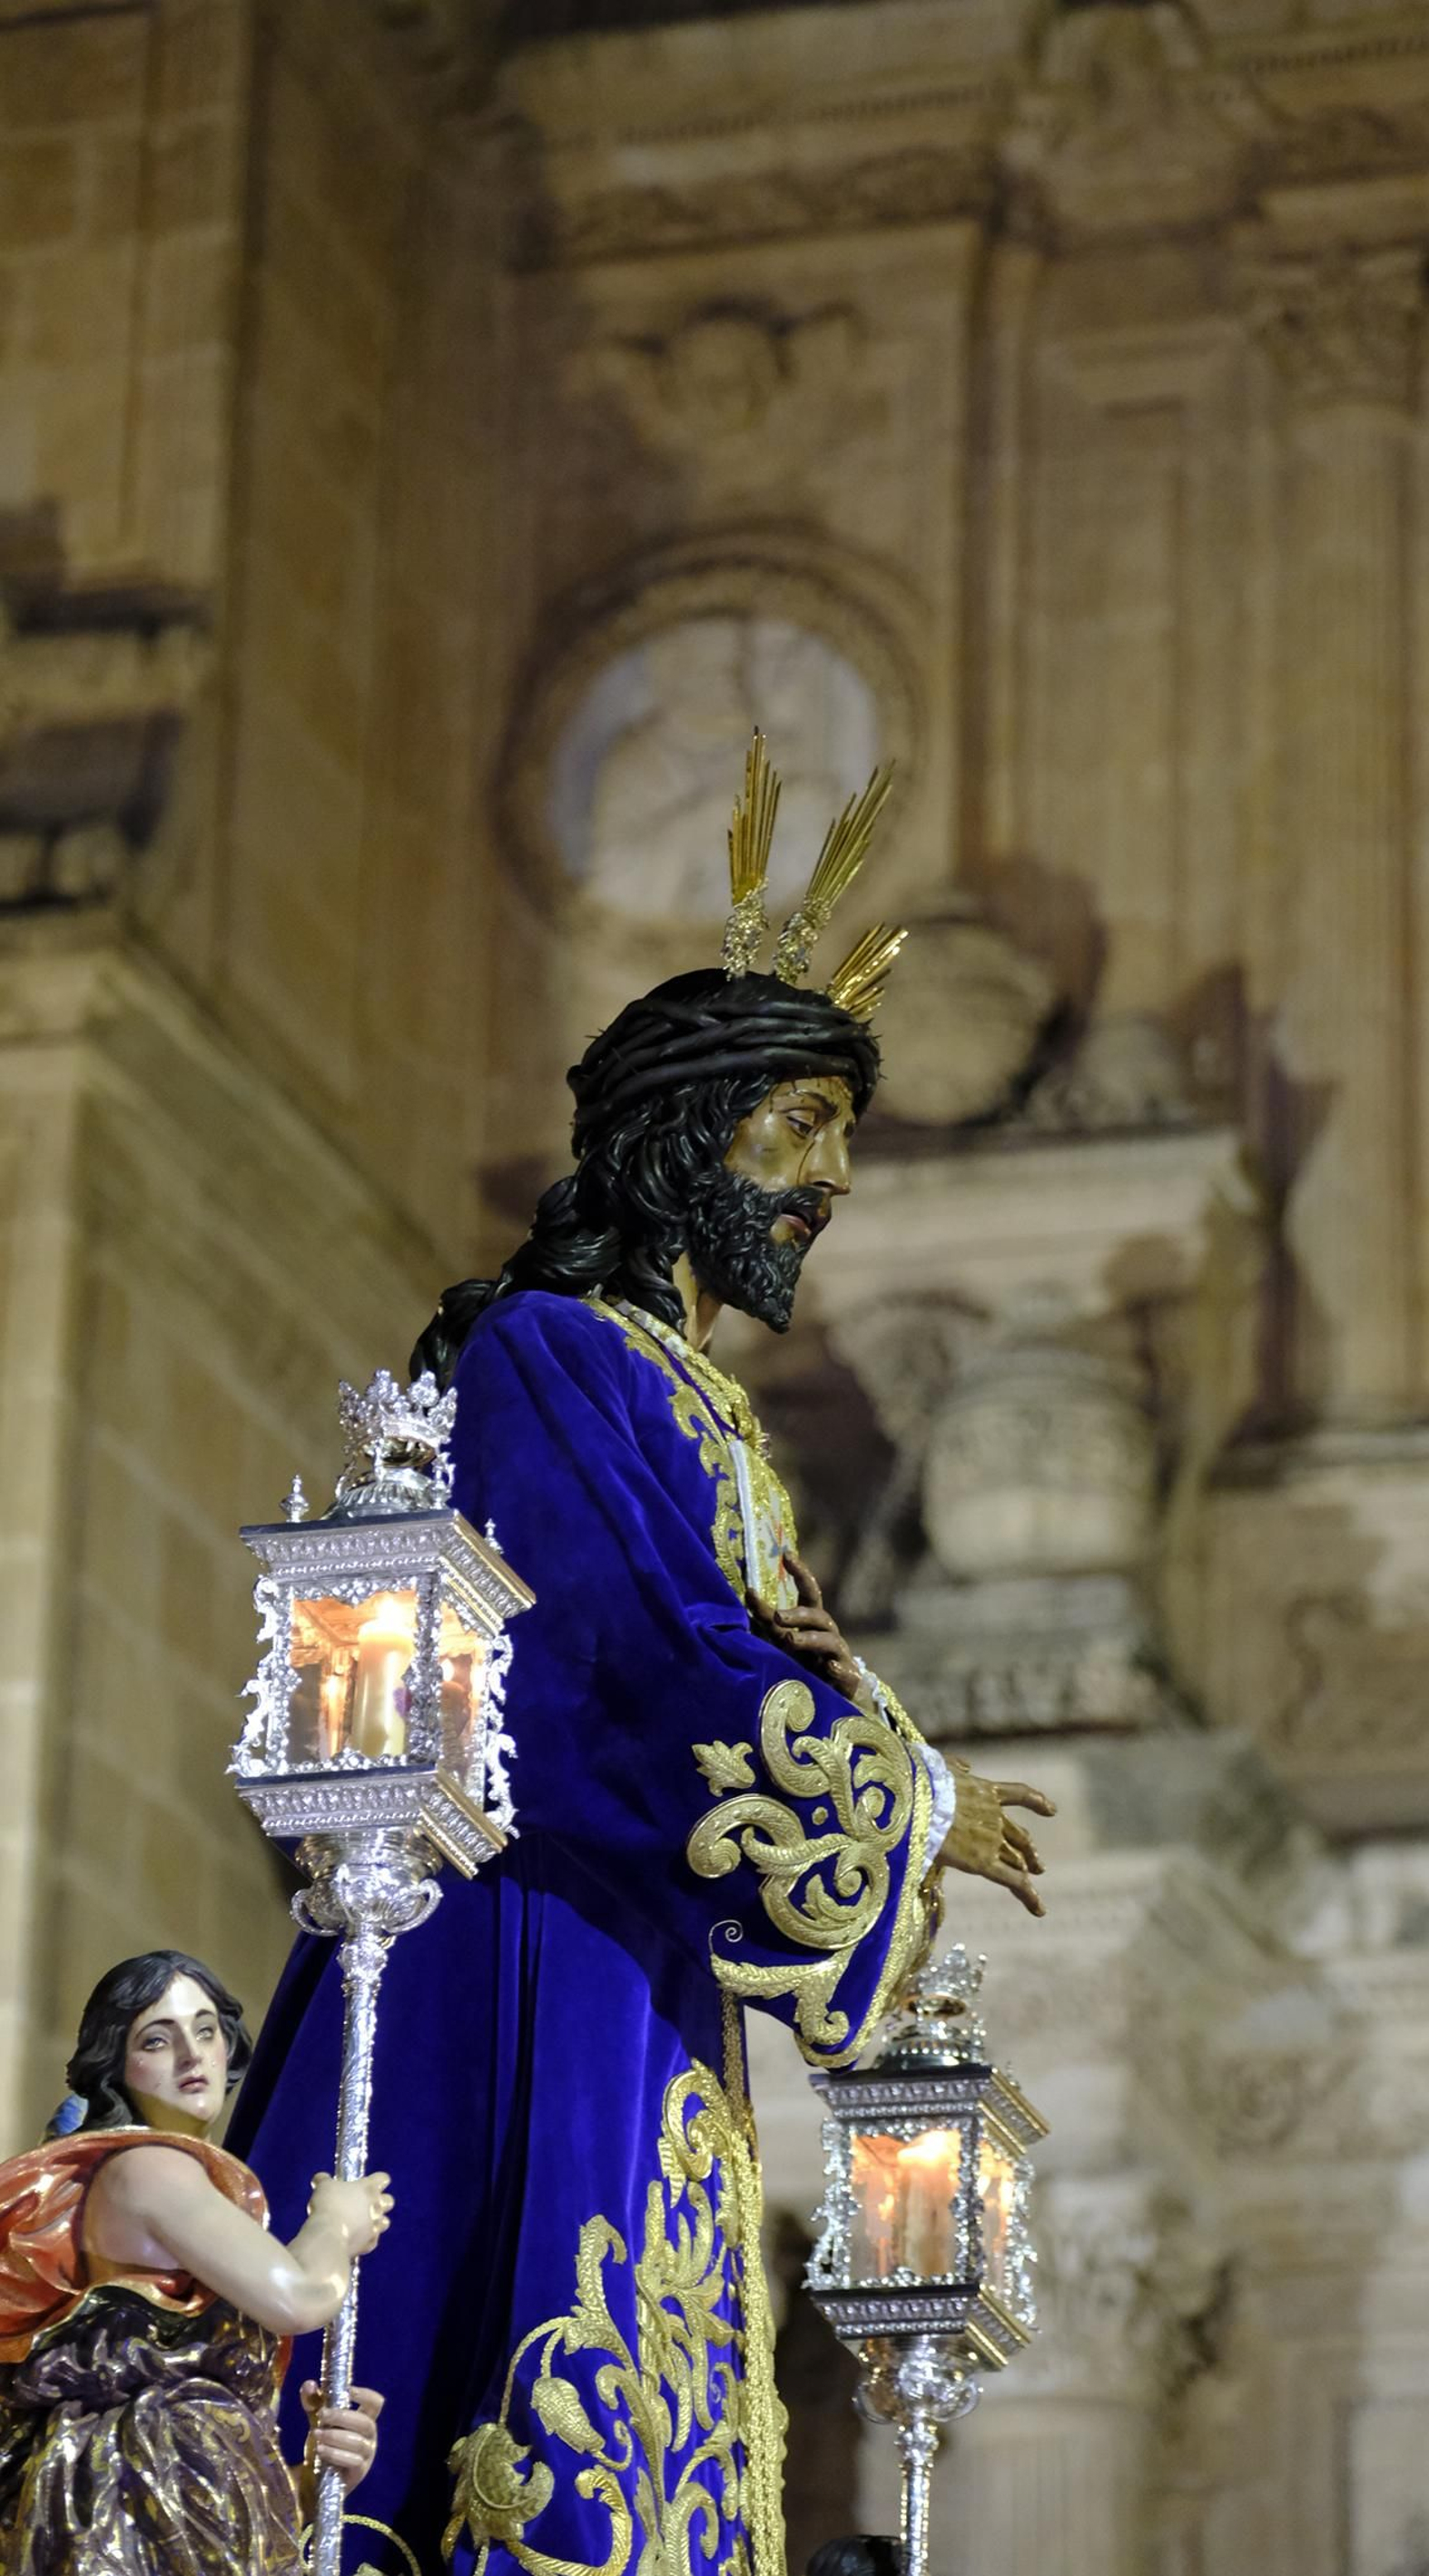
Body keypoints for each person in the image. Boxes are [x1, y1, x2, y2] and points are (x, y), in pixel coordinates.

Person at [230, 739, 1055, 2576]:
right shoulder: (553, 1347)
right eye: (800, 1120)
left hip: (640, 1956)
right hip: (533, 1931)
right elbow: (630, 1650)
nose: (826, 1177)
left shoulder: (693, 1402)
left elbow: (733, 1639)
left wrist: (878, 1736)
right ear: (684, 1133)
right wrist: (910, 1790)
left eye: (836, 1128)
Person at [0, 1951, 391, 2576]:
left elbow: (213, 2512)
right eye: (157, 2039)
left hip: (170, 2491)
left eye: (205, 2029)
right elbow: (297, 2295)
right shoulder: (147, 2169)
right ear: (117, 2066)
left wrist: (312, 2479)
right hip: (135, 2489)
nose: (191, 2054)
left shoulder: (188, 2181)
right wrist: (336, 2224)